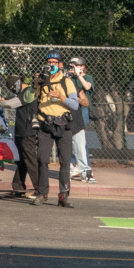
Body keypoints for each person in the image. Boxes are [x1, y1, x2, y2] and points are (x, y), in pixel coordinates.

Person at [32, 54, 85, 207]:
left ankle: (63, 196)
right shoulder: (42, 80)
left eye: (54, 62)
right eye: (49, 62)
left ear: (60, 64)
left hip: (63, 124)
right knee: (42, 159)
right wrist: (36, 82)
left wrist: (61, 96)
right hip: (45, 123)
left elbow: (74, 104)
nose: (51, 65)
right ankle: (42, 193)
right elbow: (33, 98)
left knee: (65, 161)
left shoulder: (66, 81)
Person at [0, 72, 41, 201]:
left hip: (28, 131)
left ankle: (40, 190)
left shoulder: (29, 92)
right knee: (20, 160)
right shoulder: (21, 93)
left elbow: (13, 103)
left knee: (30, 160)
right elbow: (13, 100)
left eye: (12, 88)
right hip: (21, 131)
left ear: (17, 84)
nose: (13, 90)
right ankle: (18, 187)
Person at [67, 55, 97, 184]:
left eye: (76, 66)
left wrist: (79, 75)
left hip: (83, 109)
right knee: (71, 140)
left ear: (82, 66)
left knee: (80, 138)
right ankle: (76, 166)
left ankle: (84, 167)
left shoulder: (87, 77)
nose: (74, 68)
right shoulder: (70, 78)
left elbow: (88, 87)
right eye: (72, 66)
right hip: (72, 109)